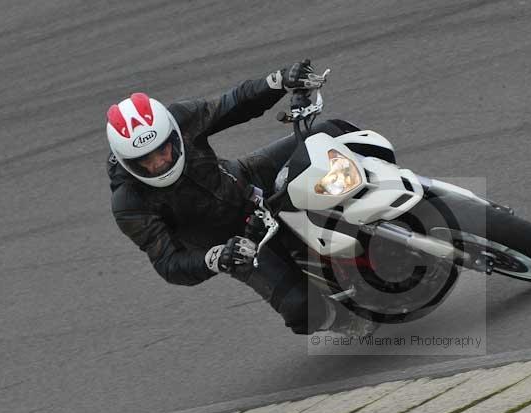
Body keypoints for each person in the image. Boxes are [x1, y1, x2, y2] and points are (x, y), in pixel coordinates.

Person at [106, 61, 375, 336]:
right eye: (145, 161)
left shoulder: (181, 118)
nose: (159, 163)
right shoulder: (129, 202)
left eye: (163, 149)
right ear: (128, 163)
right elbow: (168, 263)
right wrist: (216, 258)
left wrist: (278, 81)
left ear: (172, 134)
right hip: (234, 242)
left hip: (246, 179)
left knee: (330, 132)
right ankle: (343, 321)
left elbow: (234, 104)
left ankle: (386, 188)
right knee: (301, 310)